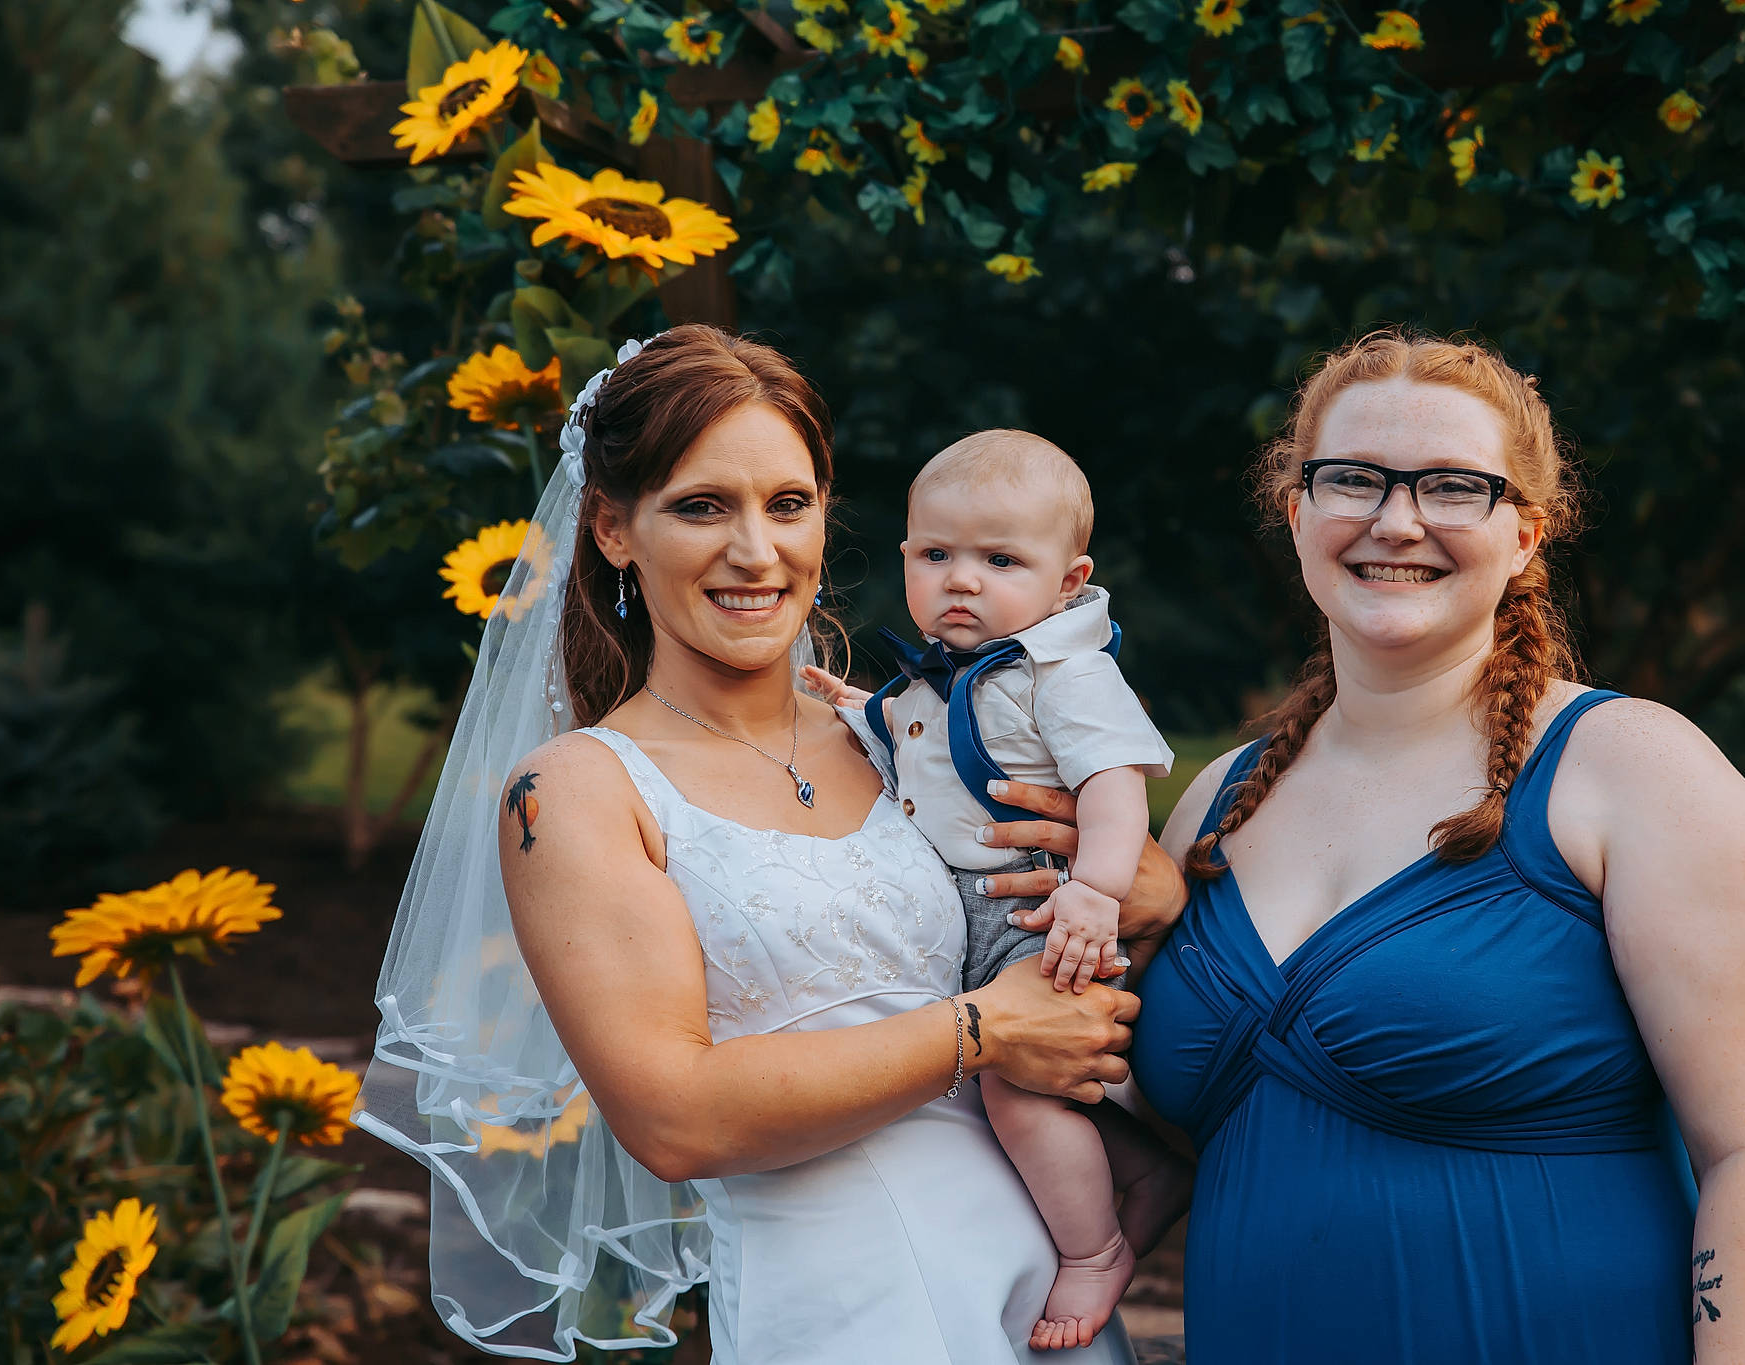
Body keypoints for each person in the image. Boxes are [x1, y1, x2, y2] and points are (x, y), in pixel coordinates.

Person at [354, 326, 1179, 1364]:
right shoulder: (575, 790)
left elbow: (1104, 880)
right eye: (702, 506)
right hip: (843, 1303)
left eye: (788, 505)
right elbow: (672, 1120)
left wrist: (1136, 888)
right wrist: (988, 1029)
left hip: (1039, 1277)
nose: (756, 551)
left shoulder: (893, 735)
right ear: (613, 528)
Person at [1129, 328, 1745, 1363]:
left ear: (1526, 536)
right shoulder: (1212, 810)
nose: (1394, 520)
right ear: (1296, 511)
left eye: (1453, 486)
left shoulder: (1631, 772)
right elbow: (1146, 1143)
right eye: (1352, 479)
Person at [844, 430, 1192, 1351]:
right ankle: (1145, 1169)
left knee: (1012, 1089)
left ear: (1069, 581)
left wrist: (1099, 890)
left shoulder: (1062, 673)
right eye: (936, 554)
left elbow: (1115, 784)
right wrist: (852, 709)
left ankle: (1095, 1248)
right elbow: (915, 759)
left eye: (1000, 559)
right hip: (976, 912)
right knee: (1012, 1087)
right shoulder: (938, 671)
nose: (962, 579)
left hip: (1045, 912)